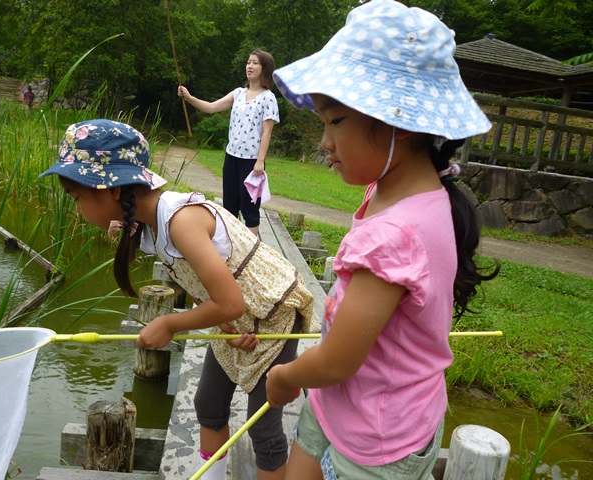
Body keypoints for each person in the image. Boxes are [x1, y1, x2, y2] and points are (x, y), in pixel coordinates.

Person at [265, 1, 500, 479]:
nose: (324, 142)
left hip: (378, 440)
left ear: (400, 122)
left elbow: (336, 363)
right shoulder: (405, 193)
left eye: (335, 121)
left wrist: (284, 375)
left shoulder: (395, 234)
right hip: (340, 402)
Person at [39, 118, 318, 480]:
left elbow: (231, 300)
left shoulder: (180, 222)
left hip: (274, 311)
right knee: (208, 406)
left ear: (111, 189)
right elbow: (212, 291)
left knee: (261, 425)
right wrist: (226, 325)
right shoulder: (150, 224)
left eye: (78, 198)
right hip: (238, 315)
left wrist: (170, 323)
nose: (78, 209)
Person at [178, 49, 279, 236]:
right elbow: (211, 107)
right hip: (231, 157)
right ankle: (231, 247)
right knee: (230, 207)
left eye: (255, 63)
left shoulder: (268, 98)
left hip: (251, 162)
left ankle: (250, 250)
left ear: (265, 68)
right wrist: (189, 98)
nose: (250, 66)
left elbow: (267, 132)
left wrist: (260, 161)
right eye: (248, 62)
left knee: (249, 210)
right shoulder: (238, 93)